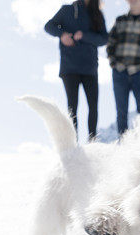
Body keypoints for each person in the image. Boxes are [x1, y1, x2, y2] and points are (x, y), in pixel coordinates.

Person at [44, 0, 108, 141]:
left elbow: (104, 39)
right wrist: (62, 35)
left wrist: (84, 36)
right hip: (69, 67)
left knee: (93, 106)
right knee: (72, 107)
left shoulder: (97, 14)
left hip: (90, 68)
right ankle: (73, 143)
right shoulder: (66, 10)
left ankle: (92, 141)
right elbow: (48, 26)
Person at [107, 0, 140, 136]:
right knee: (121, 112)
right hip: (120, 73)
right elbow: (110, 44)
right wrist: (114, 64)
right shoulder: (120, 20)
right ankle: (124, 146)